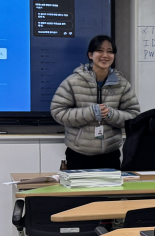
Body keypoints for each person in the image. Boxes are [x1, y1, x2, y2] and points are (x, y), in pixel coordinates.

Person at [50, 34, 140, 169]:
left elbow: (134, 116)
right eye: (100, 50)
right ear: (90, 55)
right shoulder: (73, 82)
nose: (105, 55)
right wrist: (90, 113)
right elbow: (58, 112)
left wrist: (110, 114)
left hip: (110, 154)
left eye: (110, 51)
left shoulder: (122, 84)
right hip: (78, 154)